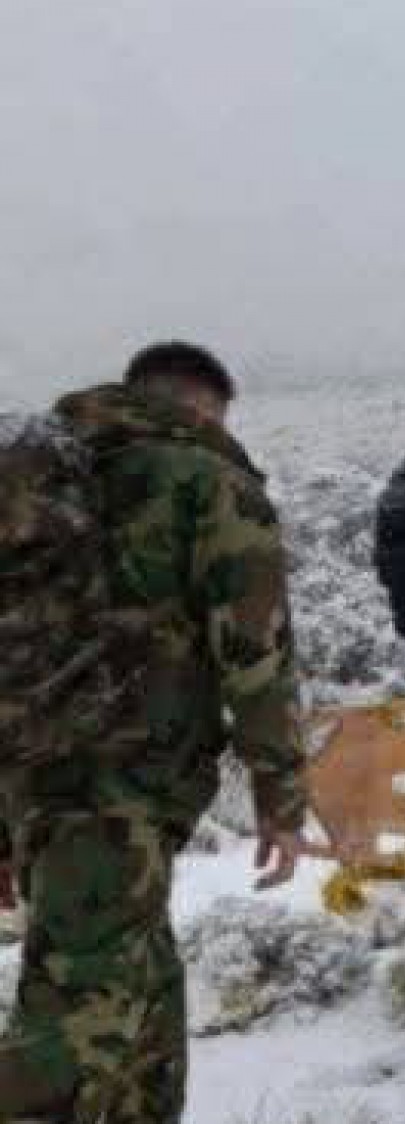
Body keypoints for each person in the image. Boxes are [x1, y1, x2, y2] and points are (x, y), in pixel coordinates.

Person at [0, 343, 308, 1124]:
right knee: (80, 1007)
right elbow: (255, 648)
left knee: (141, 990)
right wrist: (281, 788)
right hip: (126, 782)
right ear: (202, 406)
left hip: (32, 783)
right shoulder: (204, 480)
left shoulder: (42, 488)